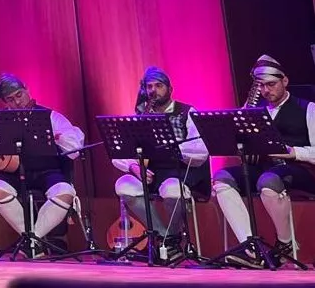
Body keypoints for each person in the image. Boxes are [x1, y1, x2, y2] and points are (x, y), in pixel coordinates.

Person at [211, 55, 314, 268]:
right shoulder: (256, 112)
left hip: (300, 169)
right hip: (264, 169)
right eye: (262, 86)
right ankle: (250, 246)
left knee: (268, 182)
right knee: (222, 178)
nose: (267, 91)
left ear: (285, 81)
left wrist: (293, 152)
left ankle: (285, 244)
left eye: (271, 84)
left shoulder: (308, 109)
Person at [0, 74, 85, 256]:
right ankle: (34, 242)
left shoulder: (50, 116)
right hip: (15, 172)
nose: (17, 102)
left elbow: (74, 144)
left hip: (47, 171)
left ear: (26, 90)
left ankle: (31, 241)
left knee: (65, 193)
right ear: (5, 102)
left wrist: (60, 138)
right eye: (10, 100)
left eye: (19, 95)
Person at [110, 66, 207, 263]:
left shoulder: (187, 112)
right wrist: (134, 167)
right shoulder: (141, 116)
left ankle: (169, 240)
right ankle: (166, 238)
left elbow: (202, 150)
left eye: (159, 86)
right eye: (149, 86)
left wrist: (173, 149)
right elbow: (120, 152)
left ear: (170, 89)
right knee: (124, 185)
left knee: (172, 189)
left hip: (181, 170)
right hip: (153, 173)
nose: (153, 90)